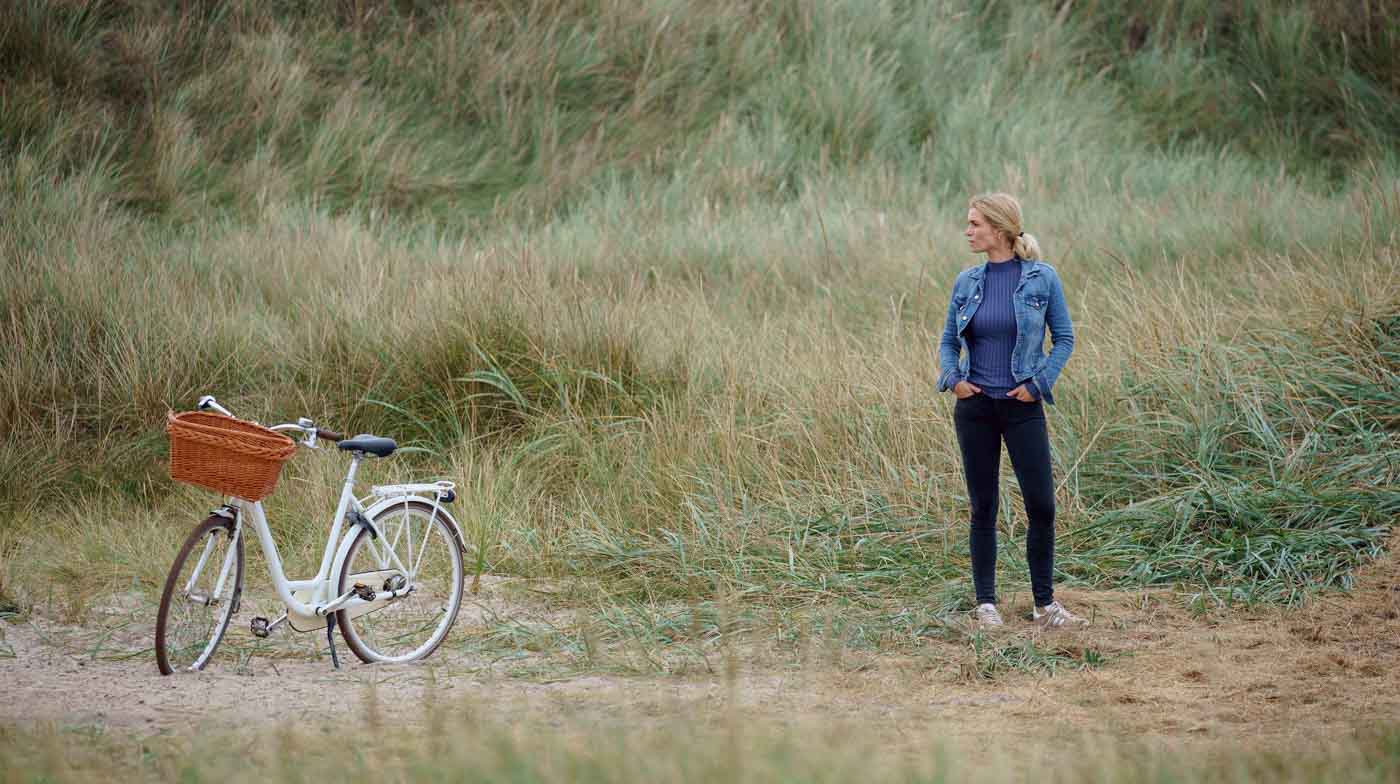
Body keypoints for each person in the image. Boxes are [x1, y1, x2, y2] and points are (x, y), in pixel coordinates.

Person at [936, 192, 1086, 629]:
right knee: (983, 506)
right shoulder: (966, 282)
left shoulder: (1042, 279)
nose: (967, 231)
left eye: (974, 224)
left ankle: (1044, 605)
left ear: (999, 229)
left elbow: (1065, 338)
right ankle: (986, 605)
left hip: (1022, 407)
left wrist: (1038, 383)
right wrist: (954, 379)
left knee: (1041, 505)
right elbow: (948, 341)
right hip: (976, 408)